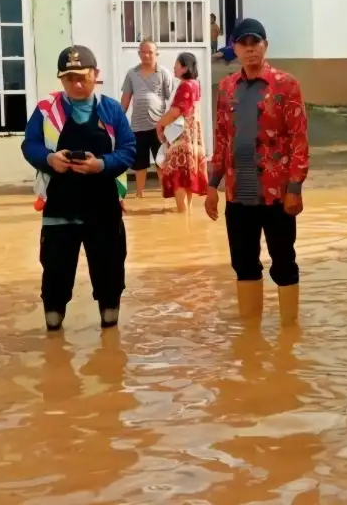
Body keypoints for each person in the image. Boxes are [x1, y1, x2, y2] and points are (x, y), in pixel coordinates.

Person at [22, 46, 136, 332]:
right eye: (69, 78)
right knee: (55, 277)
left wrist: (102, 164)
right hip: (60, 210)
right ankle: (53, 336)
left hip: (104, 210)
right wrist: (49, 159)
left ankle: (110, 339)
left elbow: (128, 150)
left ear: (95, 75)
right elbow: (30, 144)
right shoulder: (47, 110)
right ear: (61, 79)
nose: (76, 84)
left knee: (109, 275)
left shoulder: (111, 110)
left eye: (82, 77)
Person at [204, 18, 309, 326]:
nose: (250, 51)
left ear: (265, 46)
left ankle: (289, 332)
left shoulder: (286, 85)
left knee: (284, 261)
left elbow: (298, 140)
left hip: (277, 193)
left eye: (255, 44)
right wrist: (213, 185)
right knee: (244, 263)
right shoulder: (225, 88)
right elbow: (222, 138)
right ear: (234, 48)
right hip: (239, 193)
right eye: (243, 45)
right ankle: (251, 336)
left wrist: (295, 188)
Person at [119, 40, 174, 198]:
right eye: (143, 52)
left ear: (156, 54)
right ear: (139, 54)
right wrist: (118, 119)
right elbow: (126, 99)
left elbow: (170, 98)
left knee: (161, 161)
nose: (146, 55)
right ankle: (139, 194)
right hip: (138, 125)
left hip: (159, 125)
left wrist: (169, 122)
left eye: (150, 52)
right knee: (139, 163)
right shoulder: (132, 73)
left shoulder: (163, 73)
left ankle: (165, 193)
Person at [156, 52, 209, 213]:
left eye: (176, 64)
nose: (174, 67)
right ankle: (187, 212)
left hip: (182, 137)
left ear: (185, 67)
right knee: (187, 177)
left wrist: (159, 125)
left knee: (178, 177)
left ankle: (182, 213)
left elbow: (175, 112)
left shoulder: (185, 86)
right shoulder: (195, 84)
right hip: (193, 137)